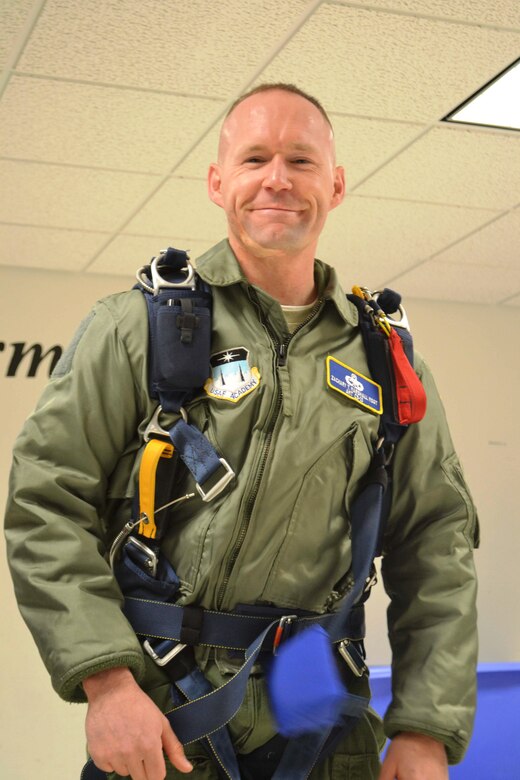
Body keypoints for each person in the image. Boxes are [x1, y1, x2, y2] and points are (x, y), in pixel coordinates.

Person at [4, 83, 478, 780]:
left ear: (337, 184)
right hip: (161, 724)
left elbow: (437, 544)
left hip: (320, 726)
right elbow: (45, 501)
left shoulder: (383, 358)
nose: (277, 179)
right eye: (255, 158)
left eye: (302, 161)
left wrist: (426, 729)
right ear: (218, 181)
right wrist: (104, 680)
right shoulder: (136, 327)